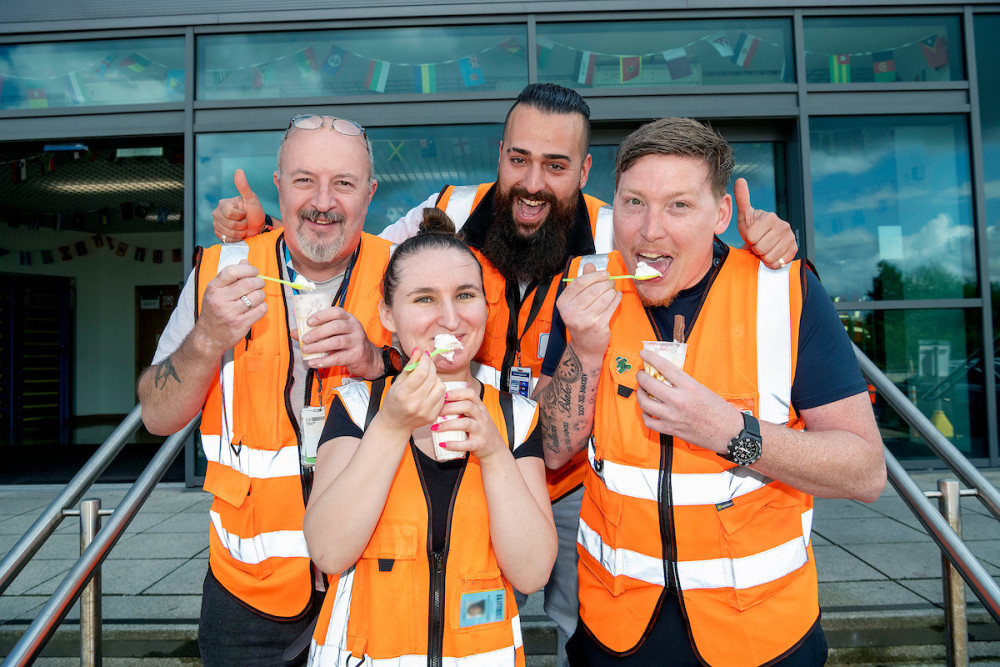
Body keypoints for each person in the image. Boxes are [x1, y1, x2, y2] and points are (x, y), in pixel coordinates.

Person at [210, 84, 799, 665]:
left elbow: (689, 249)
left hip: (567, 478)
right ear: (499, 154)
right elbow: (347, 251)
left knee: (579, 628)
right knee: (430, 591)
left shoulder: (615, 235)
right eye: (519, 159)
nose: (533, 183)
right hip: (439, 445)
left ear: (585, 169)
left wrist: (761, 242)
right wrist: (273, 235)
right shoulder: (445, 212)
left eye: (556, 164)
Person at [536, 117, 886, 666]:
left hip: (763, 637)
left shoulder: (786, 292)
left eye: (679, 205)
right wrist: (583, 349)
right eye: (633, 203)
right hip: (614, 630)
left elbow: (865, 471)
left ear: (721, 214)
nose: (649, 230)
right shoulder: (582, 286)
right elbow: (553, 451)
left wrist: (730, 432)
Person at [137, 114, 403, 666]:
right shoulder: (222, 270)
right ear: (278, 185)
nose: (323, 201)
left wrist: (379, 361)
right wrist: (207, 337)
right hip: (247, 595)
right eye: (304, 179)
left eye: (345, 183)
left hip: (374, 578)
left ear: (371, 194)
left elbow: (455, 396)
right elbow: (157, 416)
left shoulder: (403, 274)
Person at [304, 209, 556, 665]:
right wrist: (392, 425)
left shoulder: (518, 417)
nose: (450, 318)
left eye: (465, 295)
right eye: (424, 299)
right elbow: (328, 550)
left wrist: (495, 452)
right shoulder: (358, 409)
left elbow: (533, 573)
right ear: (387, 312)